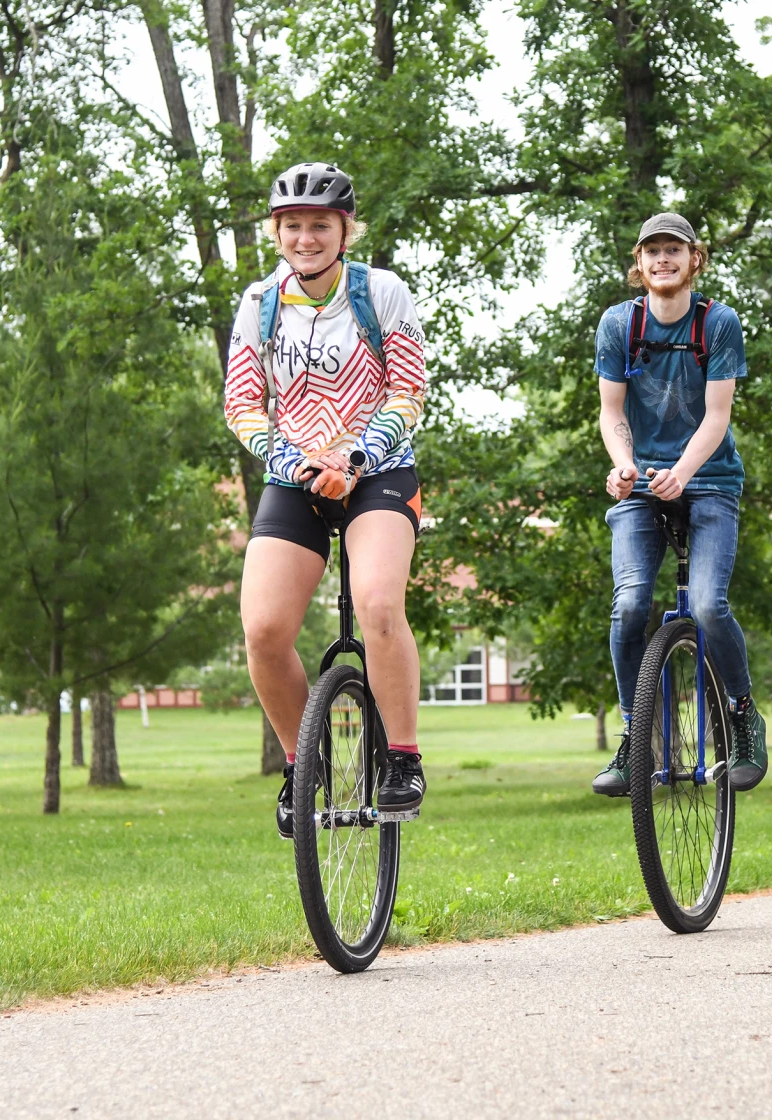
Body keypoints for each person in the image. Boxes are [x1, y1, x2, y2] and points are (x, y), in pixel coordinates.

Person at [225, 163, 429, 838]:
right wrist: (292, 459)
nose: (305, 237)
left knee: (376, 603)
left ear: (345, 230)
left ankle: (402, 758)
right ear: (277, 232)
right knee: (262, 630)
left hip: (377, 473)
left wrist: (357, 455)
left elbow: (408, 390)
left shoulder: (381, 292)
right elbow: (241, 404)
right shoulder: (260, 303)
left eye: (320, 225)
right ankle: (300, 763)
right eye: (293, 226)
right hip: (297, 478)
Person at [590, 213, 768, 797]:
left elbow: (718, 417)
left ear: (696, 259)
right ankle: (633, 733)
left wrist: (682, 473)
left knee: (711, 607)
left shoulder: (718, 324)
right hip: (642, 485)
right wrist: (624, 466)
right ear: (638, 265)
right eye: (653, 252)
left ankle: (742, 716)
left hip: (711, 479)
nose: (663, 260)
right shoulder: (620, 324)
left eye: (675, 250)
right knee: (630, 604)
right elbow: (612, 413)